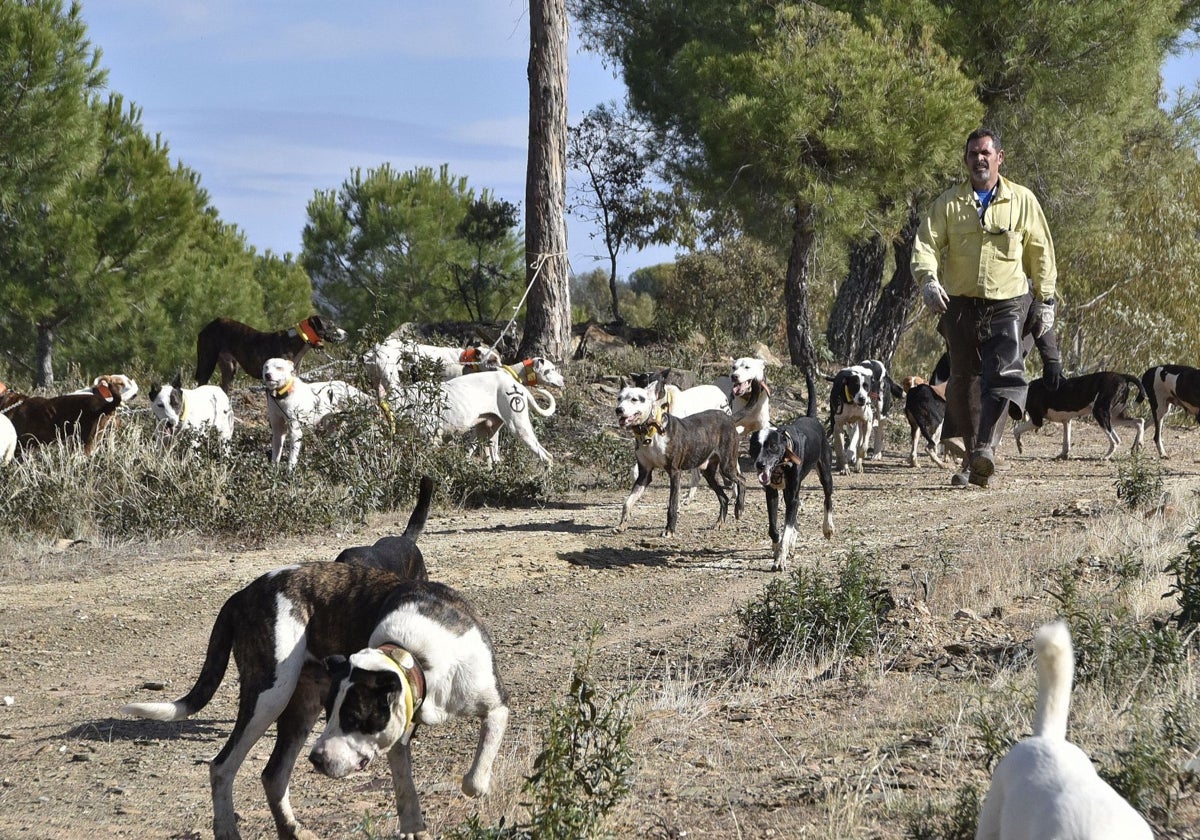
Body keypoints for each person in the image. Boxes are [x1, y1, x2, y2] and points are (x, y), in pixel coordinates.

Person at [912, 127, 1057, 487]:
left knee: (1004, 376)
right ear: (965, 160)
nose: (979, 159)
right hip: (959, 305)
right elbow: (926, 245)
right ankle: (971, 460)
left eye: (986, 153)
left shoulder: (1022, 201)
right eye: (973, 153)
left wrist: (1045, 299)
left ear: (999, 158)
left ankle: (984, 449)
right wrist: (928, 281)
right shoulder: (948, 203)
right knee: (963, 379)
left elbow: (1041, 251)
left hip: (1007, 303)